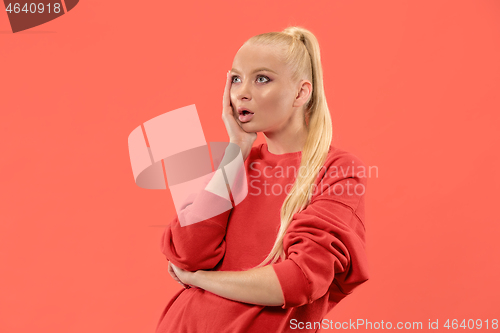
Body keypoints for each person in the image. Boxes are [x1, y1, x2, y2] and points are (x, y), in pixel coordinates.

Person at [155, 26, 370, 333]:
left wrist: (199, 280)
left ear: (300, 93)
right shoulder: (235, 164)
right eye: (236, 79)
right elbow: (188, 253)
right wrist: (237, 149)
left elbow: (299, 280)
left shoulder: (337, 169)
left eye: (262, 79)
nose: (242, 92)